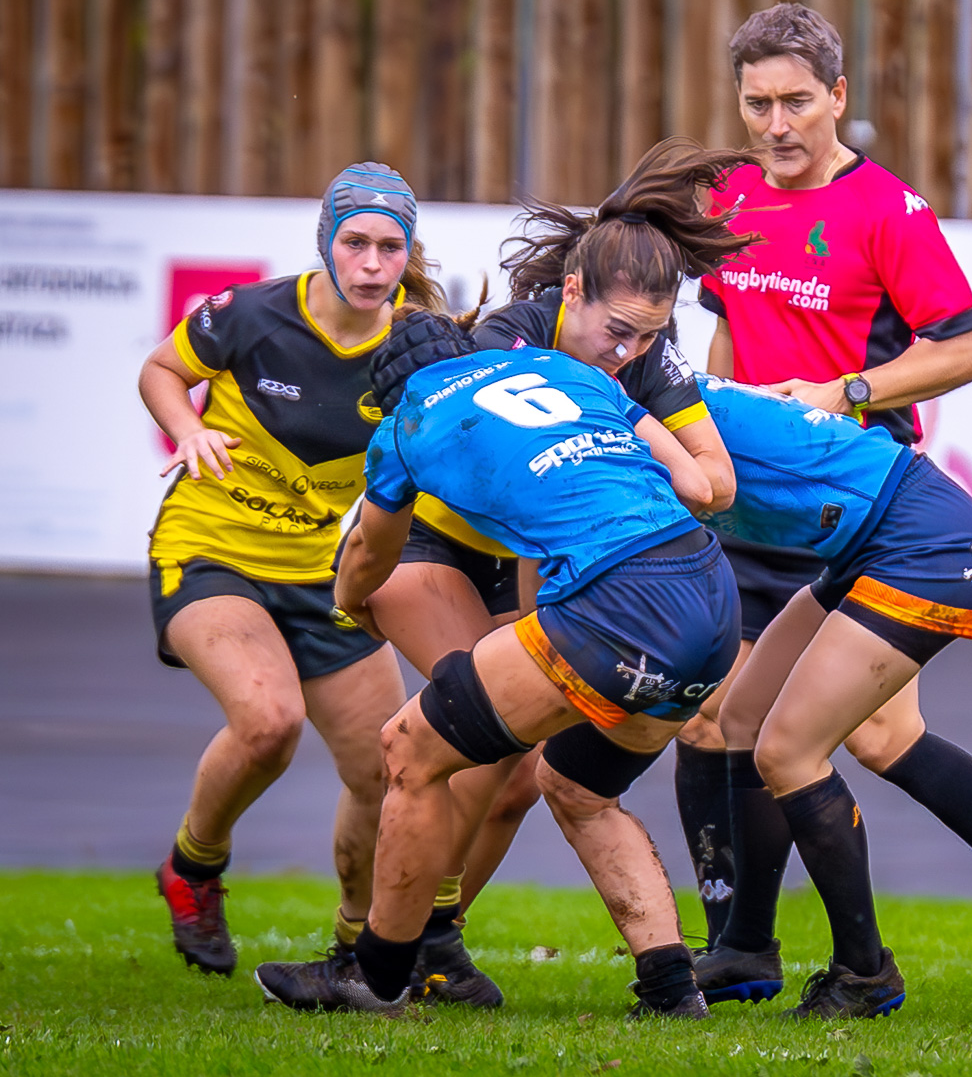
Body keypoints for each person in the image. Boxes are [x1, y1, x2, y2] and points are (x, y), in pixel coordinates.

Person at [681, 1, 972, 1006]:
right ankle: (745, 943)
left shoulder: (887, 212)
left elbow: (968, 348)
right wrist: (708, 462)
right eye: (757, 103)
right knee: (727, 722)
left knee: (850, 737)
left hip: (867, 508)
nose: (776, 124)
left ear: (839, 98)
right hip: (765, 506)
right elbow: (726, 350)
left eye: (796, 102)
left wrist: (843, 393)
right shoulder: (728, 197)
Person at [351, 139, 749, 1007]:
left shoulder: (639, 357)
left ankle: (432, 942)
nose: (628, 351)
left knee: (526, 772)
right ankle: (410, 946)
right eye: (617, 333)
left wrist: (629, 412)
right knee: (451, 740)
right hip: (446, 543)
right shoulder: (509, 336)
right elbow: (537, 508)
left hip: (562, 558)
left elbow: (715, 484)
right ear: (570, 294)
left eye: (648, 336)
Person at [252, 314, 738, 1018]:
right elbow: (691, 481)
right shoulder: (563, 369)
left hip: (620, 597)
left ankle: (377, 975)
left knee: (408, 749)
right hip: (708, 590)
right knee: (579, 789)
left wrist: (351, 603)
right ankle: (670, 990)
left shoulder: (405, 423)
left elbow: (368, 554)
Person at [651, 371, 972, 1018]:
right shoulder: (652, 394)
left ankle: (864, 971)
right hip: (870, 542)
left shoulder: (647, 409)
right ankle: (746, 943)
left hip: (926, 542)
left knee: (791, 751)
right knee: (750, 717)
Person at [138, 163, 442, 977]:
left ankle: (354, 946)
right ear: (326, 241)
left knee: (390, 763)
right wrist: (186, 431)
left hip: (320, 569)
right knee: (269, 723)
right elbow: (161, 371)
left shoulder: (414, 347)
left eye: (390, 246)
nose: (373, 263)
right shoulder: (253, 313)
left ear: (407, 252)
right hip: (210, 546)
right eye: (355, 242)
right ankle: (193, 868)